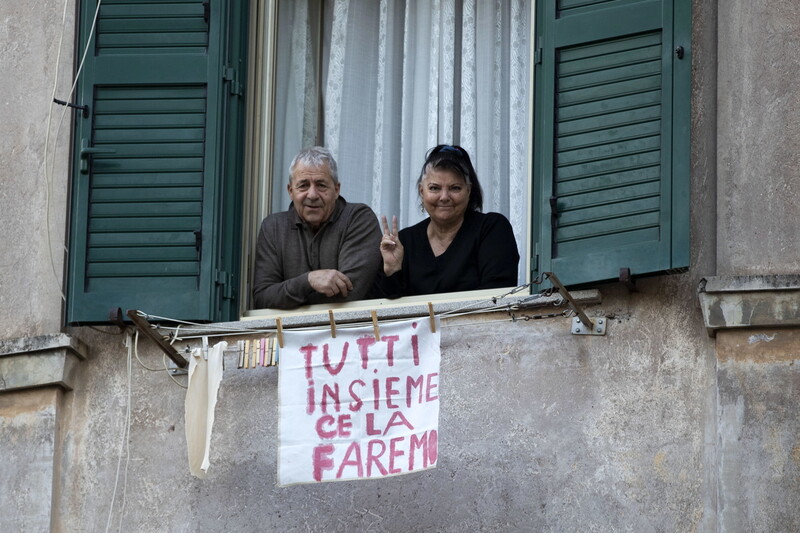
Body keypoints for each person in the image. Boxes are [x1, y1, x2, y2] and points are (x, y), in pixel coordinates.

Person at [373, 144, 519, 298]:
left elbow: (498, 298)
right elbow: (388, 312)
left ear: (469, 190)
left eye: (455, 188)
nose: (444, 197)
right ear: (422, 192)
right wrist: (392, 270)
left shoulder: (491, 229)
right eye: (434, 188)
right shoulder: (404, 242)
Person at [253, 147, 382, 309]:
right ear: (290, 191)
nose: (312, 195)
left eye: (321, 185)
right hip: (288, 333)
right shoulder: (273, 227)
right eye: (303, 186)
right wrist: (308, 281)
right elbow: (263, 298)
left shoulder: (358, 218)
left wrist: (287, 297)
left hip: (350, 331)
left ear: (336, 189)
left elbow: (350, 294)